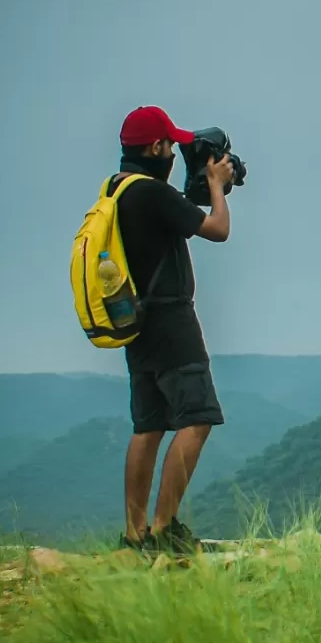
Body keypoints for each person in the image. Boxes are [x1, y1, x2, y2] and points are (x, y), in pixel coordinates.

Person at [112, 105, 233, 553]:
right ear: (156, 147)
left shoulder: (117, 191)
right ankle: (164, 530)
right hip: (171, 321)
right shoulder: (151, 193)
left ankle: (134, 534)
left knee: (148, 426)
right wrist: (217, 186)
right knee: (197, 418)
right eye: (170, 145)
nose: (173, 152)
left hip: (135, 322)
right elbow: (217, 229)